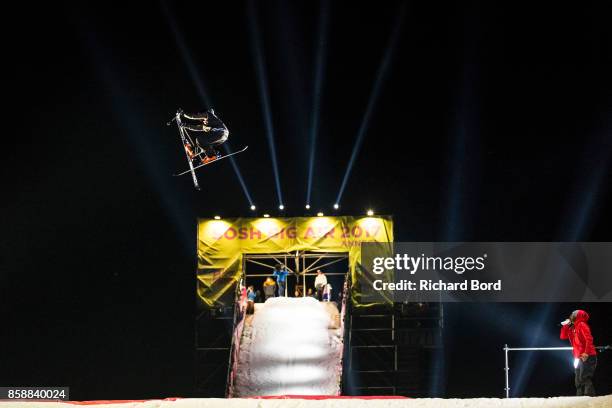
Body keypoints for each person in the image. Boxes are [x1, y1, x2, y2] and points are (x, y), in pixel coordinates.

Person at [560, 309, 597, 396]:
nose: (571, 315)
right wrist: (565, 325)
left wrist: (586, 353)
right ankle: (579, 397)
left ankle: (589, 396)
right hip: (577, 356)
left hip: (587, 355)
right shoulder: (574, 327)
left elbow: (589, 339)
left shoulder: (582, 324)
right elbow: (563, 336)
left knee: (584, 377)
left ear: (578, 316)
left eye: (573, 314)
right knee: (578, 380)